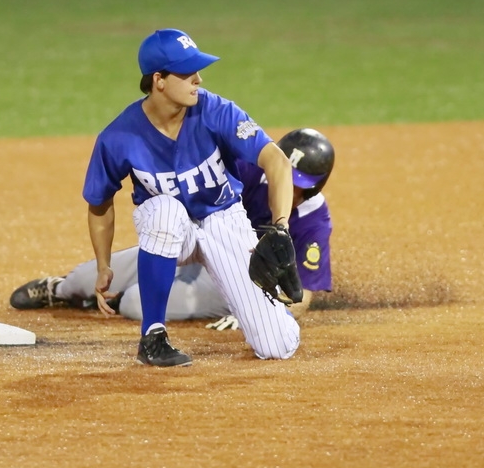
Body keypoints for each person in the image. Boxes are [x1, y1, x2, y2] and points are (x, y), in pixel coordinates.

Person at [77, 28, 310, 368]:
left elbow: (275, 159)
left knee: (277, 346)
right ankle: (153, 335)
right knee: (166, 211)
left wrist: (281, 226)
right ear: (158, 80)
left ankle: (273, 314)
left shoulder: (215, 111)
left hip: (223, 219)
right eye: (187, 73)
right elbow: (99, 204)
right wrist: (103, 264)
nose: (198, 79)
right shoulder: (119, 137)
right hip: (171, 228)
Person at [10, 128, 336, 330]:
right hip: (198, 243)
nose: (288, 187)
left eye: (297, 184)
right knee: (82, 280)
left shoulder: (313, 220)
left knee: (135, 303)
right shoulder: (249, 169)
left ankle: (113, 301)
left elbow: (304, 295)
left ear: (314, 187)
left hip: (237, 277)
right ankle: (60, 290)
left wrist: (257, 310)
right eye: (285, 177)